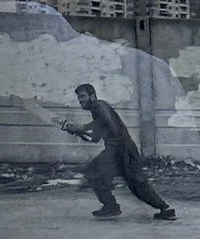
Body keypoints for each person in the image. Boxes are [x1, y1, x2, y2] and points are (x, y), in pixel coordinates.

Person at [62, 82, 176, 221]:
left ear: (92, 95)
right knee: (96, 173)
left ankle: (164, 208)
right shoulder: (96, 111)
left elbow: (105, 120)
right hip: (116, 151)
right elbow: (95, 138)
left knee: (135, 183)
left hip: (123, 150)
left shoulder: (99, 105)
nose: (80, 101)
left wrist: (81, 128)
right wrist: (77, 132)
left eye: (82, 96)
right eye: (78, 98)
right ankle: (111, 206)